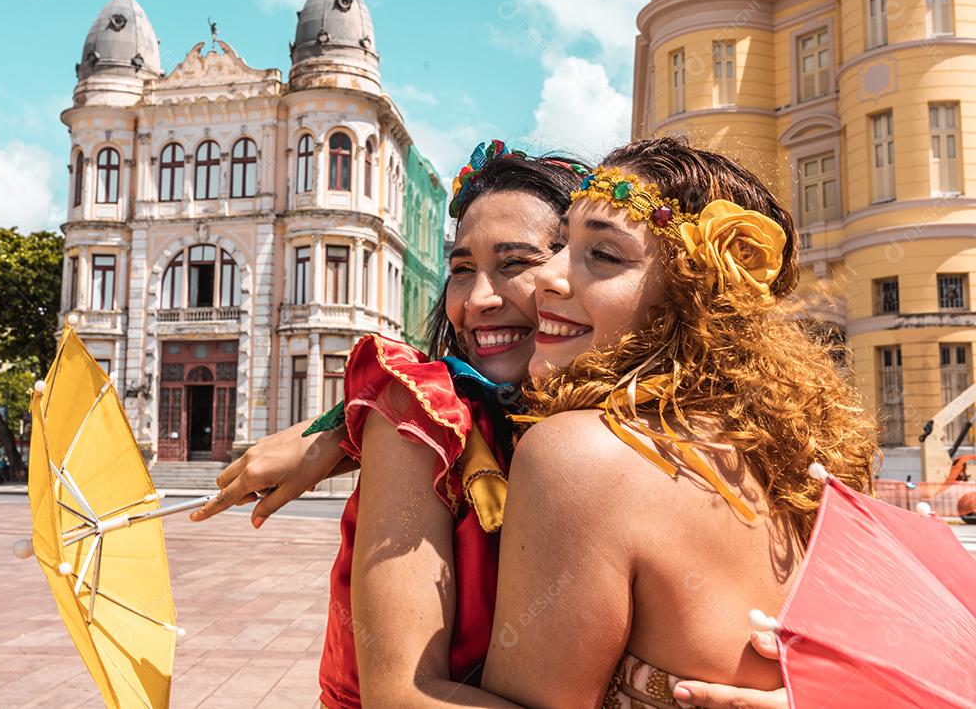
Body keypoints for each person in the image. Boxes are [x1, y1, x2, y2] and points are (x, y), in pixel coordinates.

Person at [196, 140, 789, 708]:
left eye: (518, 263)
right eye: (460, 268)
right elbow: (398, 693)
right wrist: (343, 427)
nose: (479, 298)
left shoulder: (747, 446)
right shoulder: (428, 420)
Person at [477, 137, 878, 706]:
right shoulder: (796, 464)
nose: (548, 276)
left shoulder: (578, 453)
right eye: (563, 243)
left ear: (692, 298)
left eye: (604, 255)